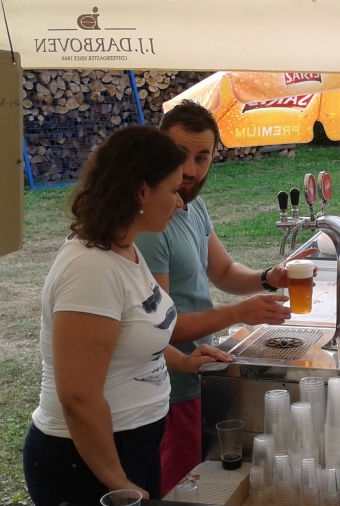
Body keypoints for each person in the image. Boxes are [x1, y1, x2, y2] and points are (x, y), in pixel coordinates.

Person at [22, 126, 234, 505]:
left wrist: (184, 361)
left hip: (133, 446)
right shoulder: (90, 268)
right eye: (172, 190)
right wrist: (118, 482)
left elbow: (134, 332)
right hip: (84, 462)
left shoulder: (126, 249)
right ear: (141, 192)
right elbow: (78, 398)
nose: (179, 202)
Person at [133, 100, 315, 495]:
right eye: (180, 154)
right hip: (170, 386)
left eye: (202, 158)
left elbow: (224, 271)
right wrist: (237, 313)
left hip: (200, 372)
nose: (190, 170)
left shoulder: (193, 207)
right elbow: (161, 327)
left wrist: (268, 278)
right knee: (182, 490)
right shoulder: (151, 227)